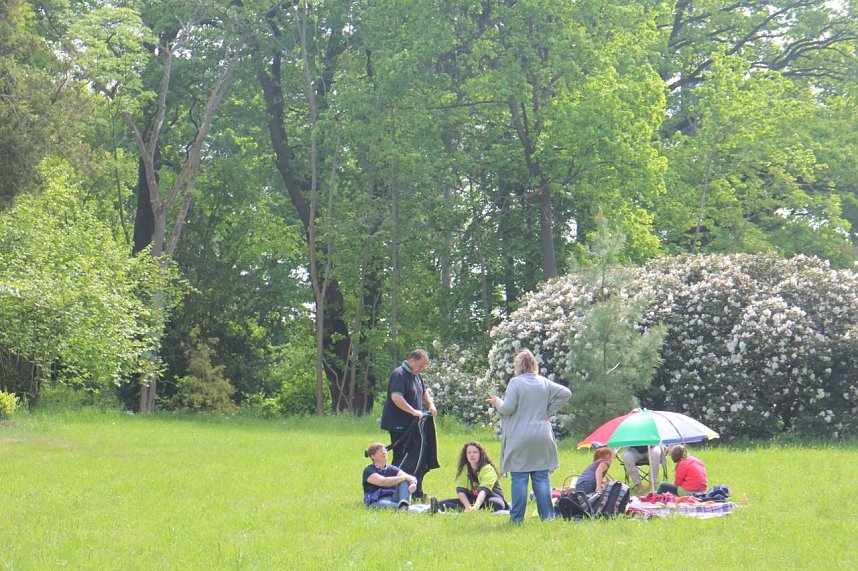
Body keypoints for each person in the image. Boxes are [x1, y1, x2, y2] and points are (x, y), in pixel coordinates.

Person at [486, 349, 571, 523]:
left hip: (520, 436)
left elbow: (507, 408)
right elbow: (565, 393)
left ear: (518, 365)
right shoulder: (544, 382)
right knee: (541, 477)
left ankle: (517, 518)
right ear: (534, 364)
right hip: (541, 435)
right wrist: (549, 412)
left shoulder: (515, 383)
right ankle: (548, 517)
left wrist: (496, 402)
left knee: (519, 478)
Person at [380, 349, 437, 499]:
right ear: (412, 361)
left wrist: (430, 404)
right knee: (402, 458)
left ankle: (416, 491)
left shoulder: (416, 375)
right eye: (420, 365)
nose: (421, 369)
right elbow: (396, 397)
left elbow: (423, 392)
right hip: (400, 425)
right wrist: (413, 411)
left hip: (415, 425)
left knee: (418, 457)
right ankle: (395, 493)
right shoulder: (399, 374)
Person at [438, 441, 508, 513]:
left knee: (496, 504)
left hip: (490, 497)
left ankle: (472, 509)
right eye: (469, 453)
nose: (472, 455)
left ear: (481, 454)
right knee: (441, 503)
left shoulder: (487, 469)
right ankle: (466, 509)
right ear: (466, 455)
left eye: (475, 452)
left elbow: (484, 491)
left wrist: (475, 507)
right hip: (472, 499)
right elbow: (461, 491)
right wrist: (468, 506)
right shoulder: (465, 469)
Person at [362, 442, 431, 512]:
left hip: (393, 497)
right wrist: (403, 478)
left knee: (404, 481)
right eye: (380, 451)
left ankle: (404, 503)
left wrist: (413, 483)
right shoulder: (369, 471)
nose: (384, 453)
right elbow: (383, 482)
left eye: (385, 450)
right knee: (397, 506)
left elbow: (411, 477)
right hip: (377, 501)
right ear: (373, 456)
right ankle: (427, 510)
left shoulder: (391, 468)